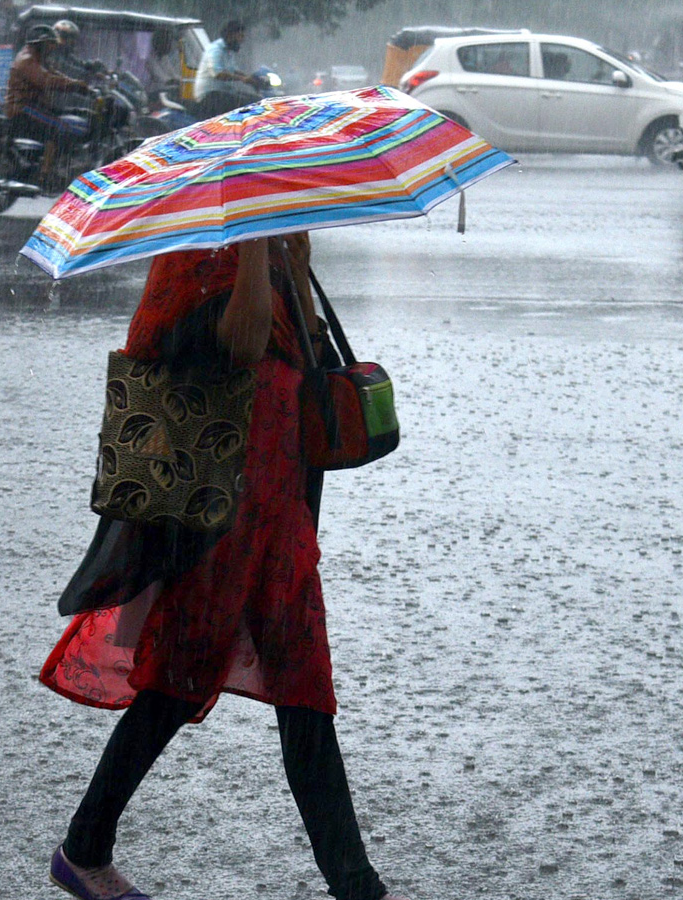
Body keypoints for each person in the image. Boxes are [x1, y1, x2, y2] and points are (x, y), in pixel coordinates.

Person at [39, 234, 412, 900]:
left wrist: (291, 265)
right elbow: (240, 343)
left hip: (280, 515)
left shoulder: (275, 240)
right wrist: (251, 251)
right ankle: (84, 848)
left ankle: (358, 887)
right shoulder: (196, 254)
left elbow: (305, 347)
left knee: (306, 692)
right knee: (176, 686)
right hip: (216, 517)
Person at [4, 25, 91, 187]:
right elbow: (47, 80)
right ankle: (44, 175)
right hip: (23, 108)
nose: (53, 47)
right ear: (41, 43)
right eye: (50, 44)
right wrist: (75, 86)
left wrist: (76, 84)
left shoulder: (37, 57)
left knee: (70, 119)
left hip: (36, 105)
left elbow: (55, 74)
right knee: (59, 128)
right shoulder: (27, 60)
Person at [193, 19, 261, 117]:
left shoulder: (228, 51)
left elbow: (234, 70)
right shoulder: (215, 49)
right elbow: (217, 74)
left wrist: (250, 78)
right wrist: (242, 79)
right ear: (231, 35)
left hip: (222, 93)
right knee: (246, 105)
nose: (242, 40)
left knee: (256, 101)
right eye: (240, 36)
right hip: (210, 95)